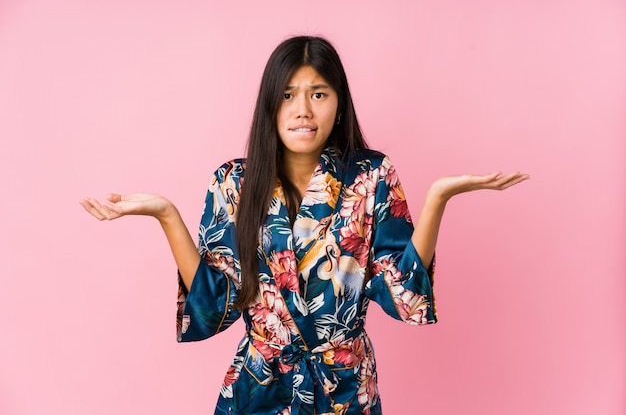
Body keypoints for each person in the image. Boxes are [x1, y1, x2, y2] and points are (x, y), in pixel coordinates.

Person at [80, 36, 528, 415]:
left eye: (318, 93)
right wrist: (166, 215)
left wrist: (437, 199)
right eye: (288, 94)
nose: (303, 110)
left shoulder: (371, 175)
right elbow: (216, 303)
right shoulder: (234, 182)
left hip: (345, 388)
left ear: (339, 102)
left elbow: (400, 293)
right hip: (260, 384)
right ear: (269, 104)